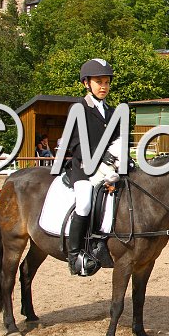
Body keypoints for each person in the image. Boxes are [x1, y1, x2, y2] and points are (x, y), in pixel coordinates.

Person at [67, 58, 123, 276]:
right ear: (86, 83)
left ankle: (104, 244)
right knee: (84, 203)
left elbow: (117, 140)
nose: (104, 86)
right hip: (83, 168)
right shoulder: (79, 108)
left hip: (109, 168)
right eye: (99, 82)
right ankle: (74, 256)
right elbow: (75, 144)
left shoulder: (111, 111)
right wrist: (99, 162)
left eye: (107, 82)